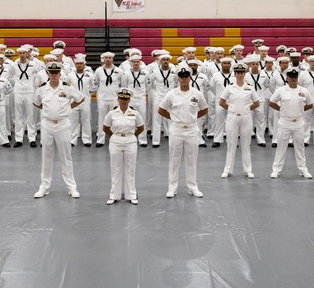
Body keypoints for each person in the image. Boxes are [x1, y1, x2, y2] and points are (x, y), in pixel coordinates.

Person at [32, 62, 86, 198]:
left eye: (56, 73)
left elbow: (80, 98)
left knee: (66, 156)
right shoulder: (42, 89)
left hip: (63, 124)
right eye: (51, 72)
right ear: (48, 74)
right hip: (47, 125)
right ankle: (44, 187)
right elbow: (36, 103)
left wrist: (68, 108)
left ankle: (71, 187)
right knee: (46, 156)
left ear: (60, 74)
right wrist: (47, 112)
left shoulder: (67, 88)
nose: (54, 75)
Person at [157, 67, 209, 198]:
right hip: (176, 130)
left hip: (191, 130)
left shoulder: (196, 93)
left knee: (191, 160)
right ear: (178, 78)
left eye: (186, 76)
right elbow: (161, 109)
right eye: (182, 76)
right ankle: (172, 187)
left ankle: (193, 187)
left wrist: (193, 118)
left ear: (190, 78)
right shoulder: (172, 94)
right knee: (174, 160)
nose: (184, 78)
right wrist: (173, 118)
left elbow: (204, 109)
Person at [268, 68, 314, 179]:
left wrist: (301, 110)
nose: (293, 79)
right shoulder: (281, 90)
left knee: (300, 147)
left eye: (295, 77)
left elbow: (310, 104)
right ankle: (276, 170)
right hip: (285, 122)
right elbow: (271, 102)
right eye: (291, 77)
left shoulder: (303, 90)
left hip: (298, 122)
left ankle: (303, 170)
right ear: (287, 78)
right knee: (281, 147)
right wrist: (282, 110)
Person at [103, 88, 145, 205]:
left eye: (126, 99)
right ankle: (114, 195)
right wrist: (115, 136)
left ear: (129, 100)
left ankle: (131, 195)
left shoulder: (135, 112)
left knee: (130, 168)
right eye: (121, 98)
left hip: (130, 140)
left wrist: (132, 136)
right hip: (115, 140)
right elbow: (105, 127)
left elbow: (141, 127)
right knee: (115, 168)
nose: (123, 101)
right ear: (117, 99)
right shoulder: (112, 112)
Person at [218, 61, 260, 178]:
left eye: (242, 72)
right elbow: (221, 102)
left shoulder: (249, 88)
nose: (240, 75)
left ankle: (248, 170)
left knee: (246, 144)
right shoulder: (230, 88)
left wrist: (247, 109)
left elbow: (256, 103)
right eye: (238, 73)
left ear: (245, 74)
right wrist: (231, 109)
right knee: (231, 144)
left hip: (246, 117)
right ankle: (227, 170)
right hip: (232, 117)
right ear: (234, 74)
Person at [93, 52, 122, 148]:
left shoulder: (118, 70)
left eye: (110, 58)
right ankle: (100, 140)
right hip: (102, 98)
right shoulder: (98, 70)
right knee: (102, 119)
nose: (108, 59)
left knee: (115, 119)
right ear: (103, 59)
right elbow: (96, 82)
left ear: (112, 59)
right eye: (106, 58)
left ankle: (114, 139)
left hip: (114, 98)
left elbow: (122, 84)